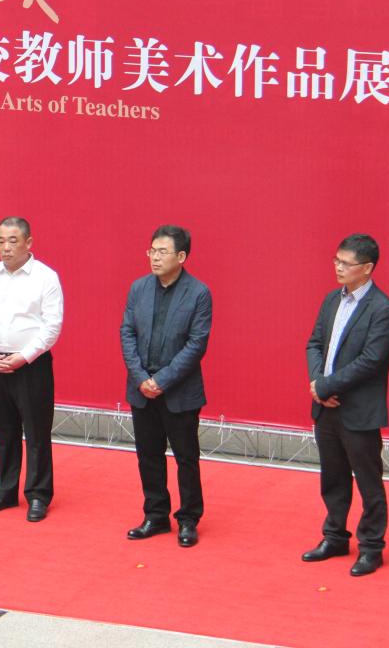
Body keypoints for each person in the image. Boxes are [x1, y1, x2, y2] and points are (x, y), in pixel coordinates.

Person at [302, 234, 389, 577]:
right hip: (326, 407)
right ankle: (335, 536)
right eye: (336, 260)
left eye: (346, 263)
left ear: (367, 268)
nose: (338, 267)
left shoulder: (382, 310)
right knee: (333, 477)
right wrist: (318, 384)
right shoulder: (332, 299)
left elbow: (370, 361)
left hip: (359, 411)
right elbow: (314, 344)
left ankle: (371, 547)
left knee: (369, 482)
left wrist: (326, 386)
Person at [120, 225, 212, 547]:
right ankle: (155, 515)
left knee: (186, 458)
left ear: (181, 256)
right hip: (142, 388)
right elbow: (127, 333)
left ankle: (188, 519)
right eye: (152, 251)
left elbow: (196, 344)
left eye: (163, 252)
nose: (155, 258)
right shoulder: (139, 288)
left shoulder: (198, 293)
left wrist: (162, 380)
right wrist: (140, 377)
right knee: (148, 455)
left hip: (179, 391)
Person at [0, 217, 63, 522]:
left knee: (36, 433)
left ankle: (38, 495)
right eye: (0, 241)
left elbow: (51, 326)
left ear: (28, 243)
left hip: (31, 365)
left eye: (12, 241)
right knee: (5, 432)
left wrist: (24, 356)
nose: (5, 248)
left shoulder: (45, 277)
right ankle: (5, 490)